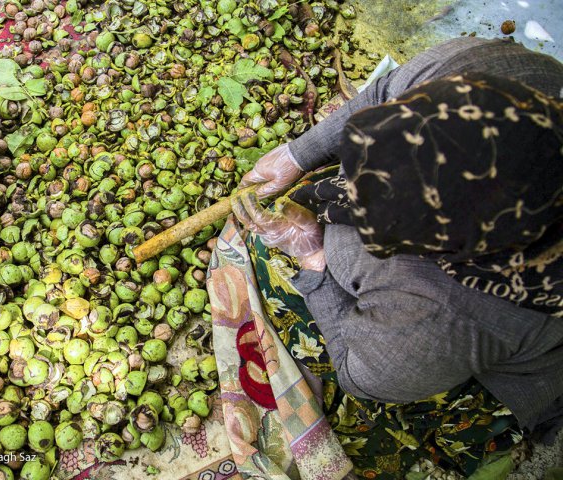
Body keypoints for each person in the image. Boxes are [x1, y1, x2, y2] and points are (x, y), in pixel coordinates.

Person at [230, 36, 563, 477]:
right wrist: (297, 154)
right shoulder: (501, 74)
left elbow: (360, 376)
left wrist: (313, 259)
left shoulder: (447, 314)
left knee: (273, 273)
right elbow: (383, 93)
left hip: (505, 364)